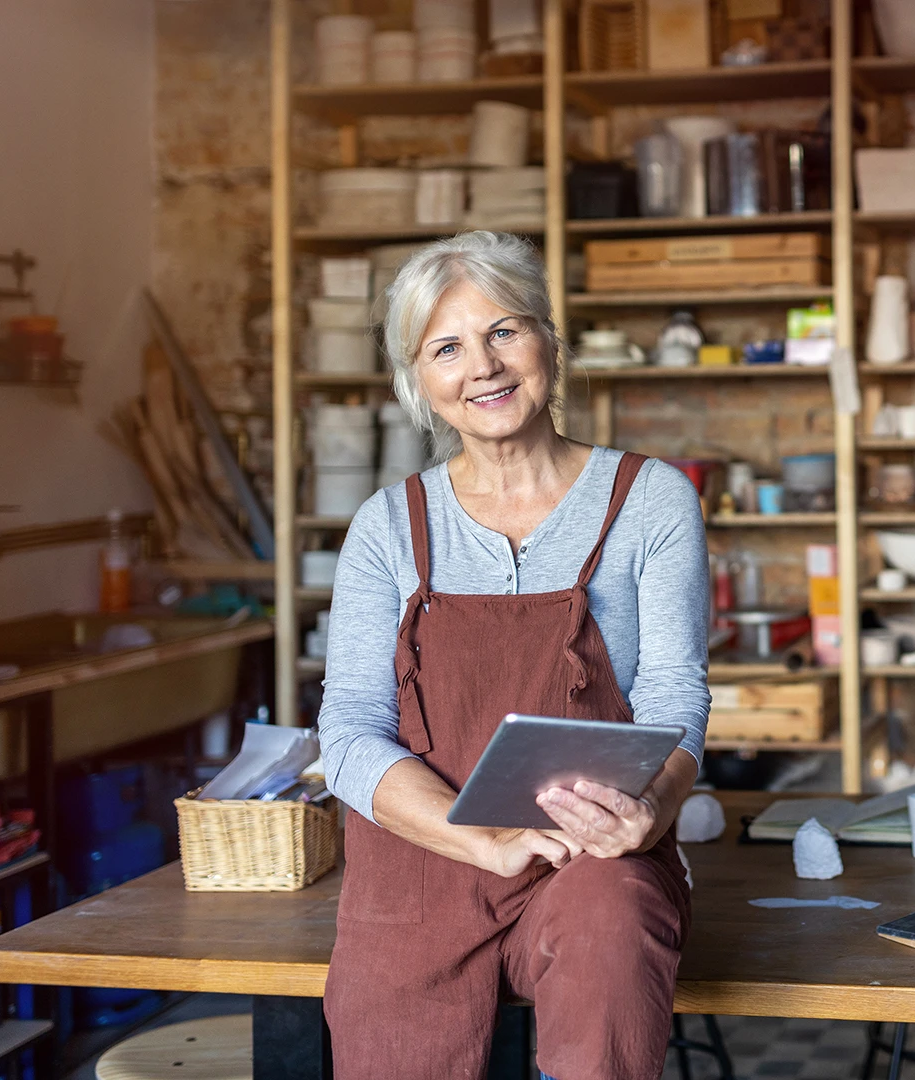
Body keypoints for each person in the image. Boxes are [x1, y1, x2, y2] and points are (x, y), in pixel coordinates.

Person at [317, 230, 710, 1079]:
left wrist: (652, 808)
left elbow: (675, 692)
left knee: (612, 926)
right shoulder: (386, 528)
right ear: (418, 380)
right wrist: (484, 842)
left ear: (549, 341)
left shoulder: (650, 500)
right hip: (422, 863)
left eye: (504, 331)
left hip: (588, 854)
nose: (484, 367)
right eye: (447, 348)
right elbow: (347, 733)